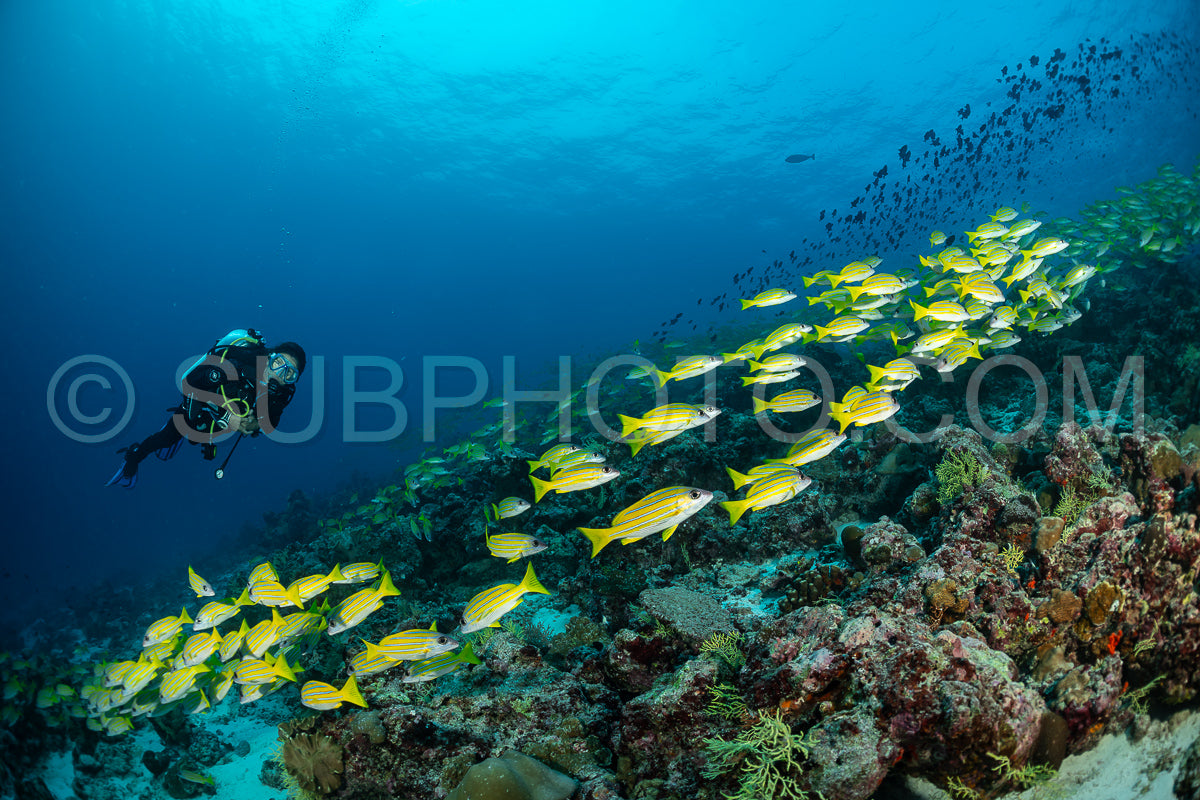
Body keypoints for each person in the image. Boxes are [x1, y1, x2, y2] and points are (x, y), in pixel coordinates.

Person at [106, 329, 306, 488]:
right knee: (169, 436)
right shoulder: (238, 365)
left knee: (202, 435)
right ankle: (133, 456)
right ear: (269, 357)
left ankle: (205, 437)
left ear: (292, 380)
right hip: (197, 405)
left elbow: (270, 424)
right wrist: (227, 417)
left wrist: (253, 425)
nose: (279, 373)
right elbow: (189, 382)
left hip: (218, 426)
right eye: (278, 362)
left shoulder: (280, 395)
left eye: (289, 373)